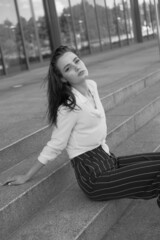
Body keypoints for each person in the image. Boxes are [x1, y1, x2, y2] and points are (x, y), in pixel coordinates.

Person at [4, 45, 160, 207]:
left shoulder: (91, 86)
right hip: (94, 177)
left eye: (76, 61)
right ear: (64, 78)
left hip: (107, 160)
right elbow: (56, 145)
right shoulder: (68, 107)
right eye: (68, 68)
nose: (76, 67)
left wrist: (106, 153)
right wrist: (26, 175)